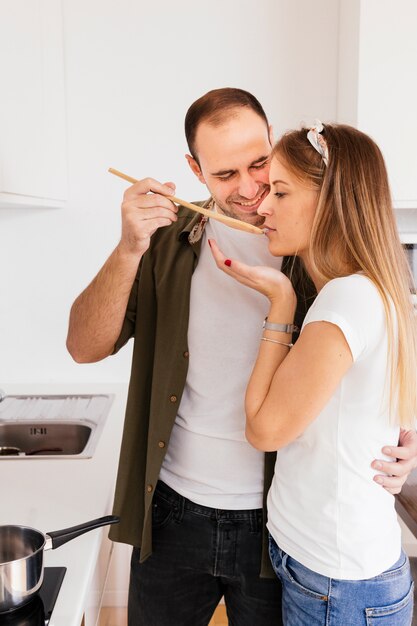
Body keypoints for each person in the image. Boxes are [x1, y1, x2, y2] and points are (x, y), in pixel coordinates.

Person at [66, 90, 417, 626]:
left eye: (260, 164)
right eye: (226, 174)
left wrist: (395, 434)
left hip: (276, 526)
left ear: (273, 139)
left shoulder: (315, 252)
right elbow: (83, 346)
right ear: (195, 170)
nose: (252, 190)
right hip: (173, 514)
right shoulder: (165, 242)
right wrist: (128, 248)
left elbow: (376, 351)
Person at [209, 121, 417, 625]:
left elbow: (264, 428)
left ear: (332, 201)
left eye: (280, 192)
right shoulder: (371, 289)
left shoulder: (346, 298)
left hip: (336, 583)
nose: (262, 207)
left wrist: (280, 301)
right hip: (332, 570)